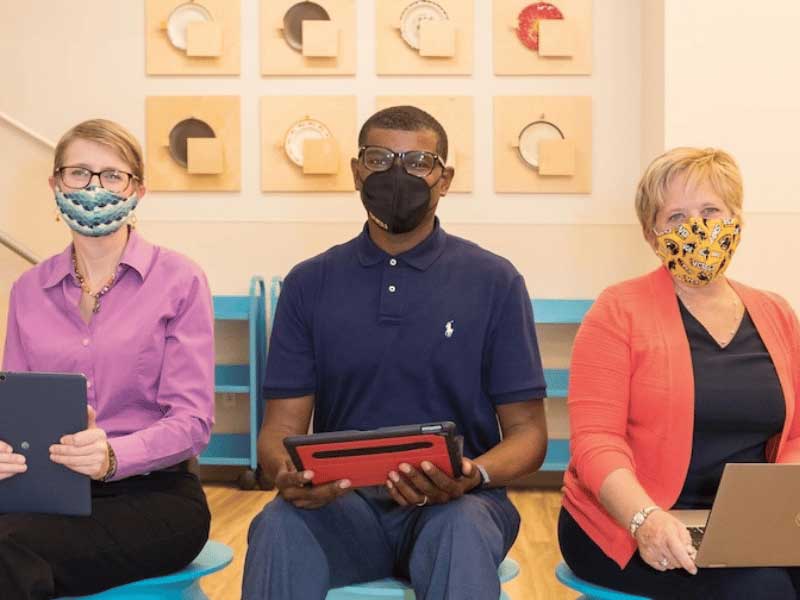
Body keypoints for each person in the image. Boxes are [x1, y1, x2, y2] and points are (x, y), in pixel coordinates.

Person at [242, 106, 549, 600]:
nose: (398, 174)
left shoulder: (494, 281)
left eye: (418, 161)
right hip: (343, 505)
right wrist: (287, 474)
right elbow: (280, 428)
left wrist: (475, 475)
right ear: (357, 171)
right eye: (381, 158)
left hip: (457, 505)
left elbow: (529, 433)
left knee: (462, 529)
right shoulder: (308, 283)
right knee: (278, 523)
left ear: (444, 178)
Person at [558, 147, 800, 599]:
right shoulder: (617, 311)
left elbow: (797, 435)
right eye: (676, 217)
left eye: (711, 210)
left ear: (736, 222)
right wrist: (643, 518)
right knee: (762, 590)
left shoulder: (776, 313)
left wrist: (781, 501)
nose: (698, 227)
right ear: (653, 235)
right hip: (629, 522)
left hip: (746, 527)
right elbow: (595, 442)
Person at [0, 119, 215, 600]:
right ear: (55, 184)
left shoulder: (180, 280)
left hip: (154, 496)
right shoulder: (27, 290)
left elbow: (194, 421)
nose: (94, 188)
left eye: (112, 175)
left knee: (9, 553)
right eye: (79, 173)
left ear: (138, 190)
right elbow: (14, 411)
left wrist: (114, 456)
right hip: (47, 490)